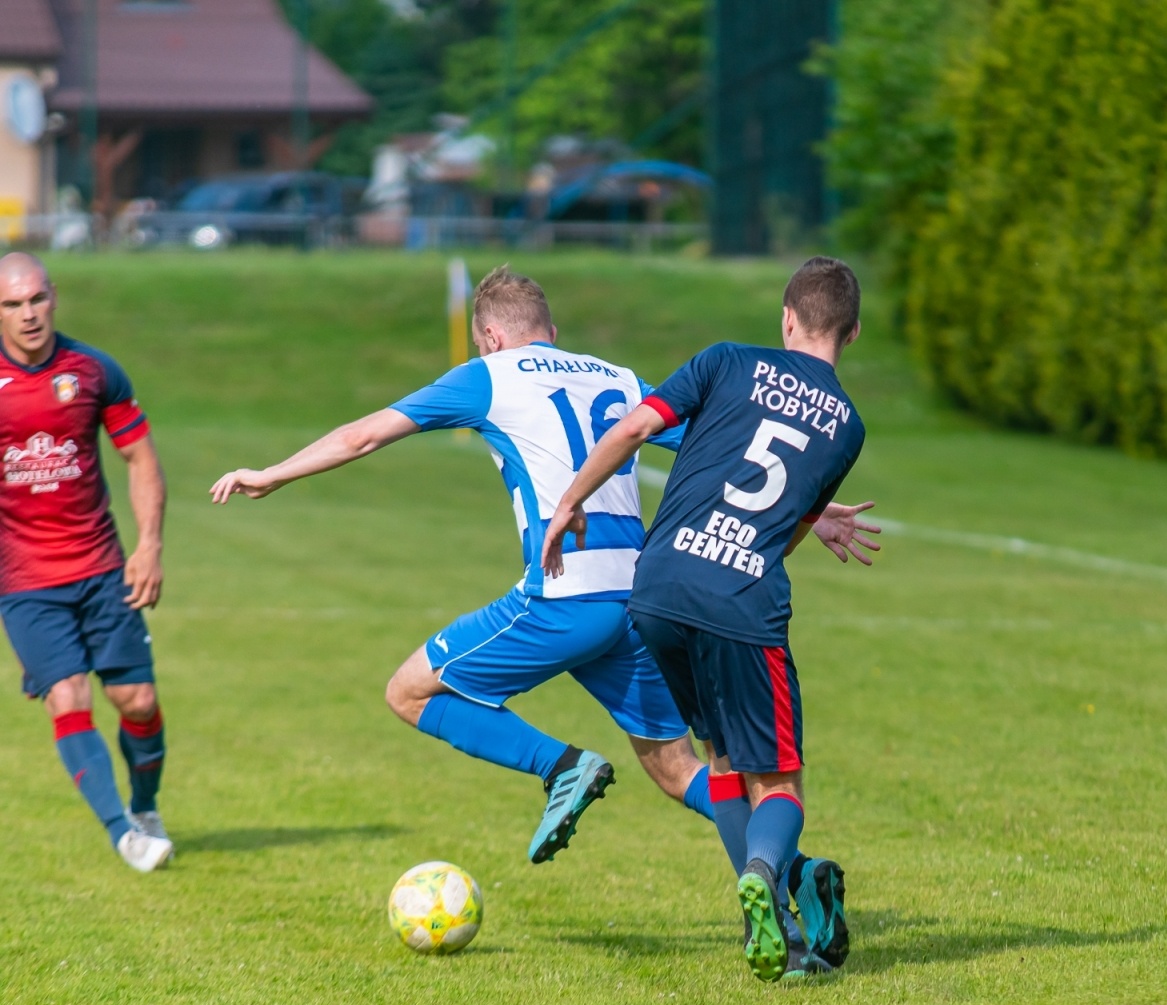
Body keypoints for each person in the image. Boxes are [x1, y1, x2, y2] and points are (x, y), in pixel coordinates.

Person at [209, 267, 877, 905]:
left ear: (491, 337)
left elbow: (363, 436)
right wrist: (810, 513)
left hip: (566, 594)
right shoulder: (615, 376)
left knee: (407, 692)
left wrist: (272, 474)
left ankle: (560, 766)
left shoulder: (488, 375)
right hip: (640, 598)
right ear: (551, 333)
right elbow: (728, 441)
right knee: (677, 768)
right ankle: (787, 872)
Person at [543, 256, 868, 982]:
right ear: (852, 332)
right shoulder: (847, 426)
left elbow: (634, 428)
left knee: (721, 759)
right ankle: (763, 872)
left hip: (658, 587)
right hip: (741, 599)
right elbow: (788, 530)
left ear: (787, 316)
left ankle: (780, 934)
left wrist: (570, 502)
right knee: (778, 782)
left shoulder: (725, 360)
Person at [0, 252, 173, 872]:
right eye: (12, 304)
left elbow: (140, 458)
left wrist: (149, 546)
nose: (28, 314)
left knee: (138, 701)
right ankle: (123, 833)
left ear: (54, 297)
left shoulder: (94, 371)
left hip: (102, 571)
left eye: (36, 299)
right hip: (26, 583)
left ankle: (144, 808)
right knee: (68, 695)